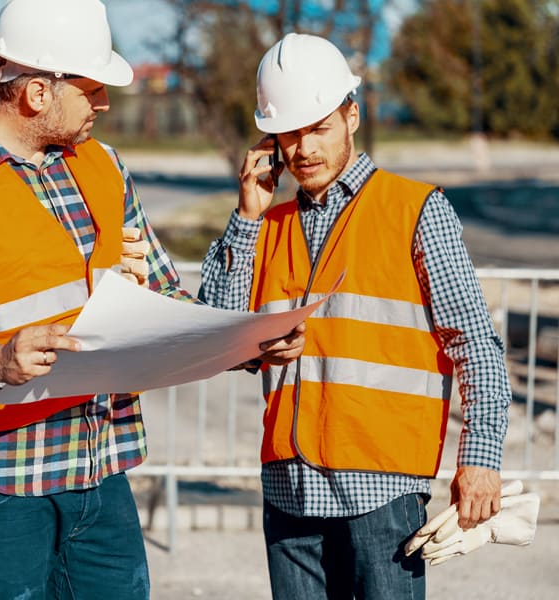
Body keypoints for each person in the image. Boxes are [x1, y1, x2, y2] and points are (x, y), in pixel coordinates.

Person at [0, 2, 304, 599]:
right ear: (36, 93)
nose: (104, 102)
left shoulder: (102, 166)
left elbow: (163, 299)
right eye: (92, 87)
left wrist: (247, 343)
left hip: (100, 477)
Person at [199, 32, 511, 599]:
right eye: (289, 133)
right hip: (289, 492)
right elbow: (214, 335)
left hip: (381, 494)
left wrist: (481, 459)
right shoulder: (266, 225)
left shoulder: (415, 210)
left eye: (318, 127)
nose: (303, 149)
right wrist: (245, 216)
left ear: (352, 116)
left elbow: (475, 344)